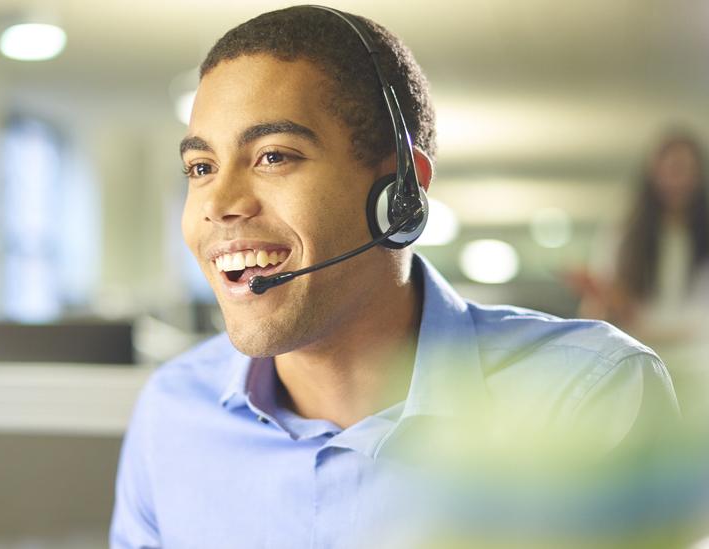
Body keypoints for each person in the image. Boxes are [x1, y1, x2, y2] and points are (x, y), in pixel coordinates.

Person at [111, 6, 680, 548]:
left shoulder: (582, 396)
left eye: (274, 156)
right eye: (201, 168)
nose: (221, 204)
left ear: (400, 194)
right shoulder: (174, 412)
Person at [578, 130, 709, 347]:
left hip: (698, 358)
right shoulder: (624, 233)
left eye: (684, 170)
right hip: (637, 351)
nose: (676, 181)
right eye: (670, 170)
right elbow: (601, 299)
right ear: (653, 174)